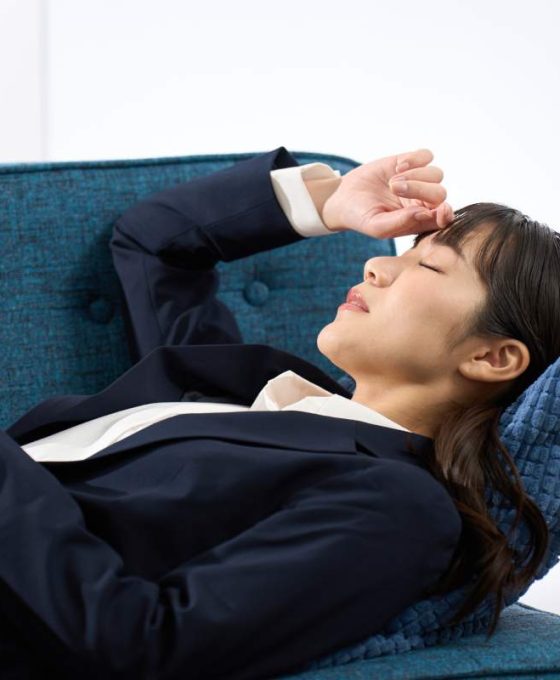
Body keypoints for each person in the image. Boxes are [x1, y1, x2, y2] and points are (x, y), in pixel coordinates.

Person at [0, 145, 553, 679]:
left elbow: (143, 642)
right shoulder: (251, 386)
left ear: (492, 357)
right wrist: (328, 200)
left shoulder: (398, 506)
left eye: (429, 266)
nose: (376, 266)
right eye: (401, 253)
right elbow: (153, 244)